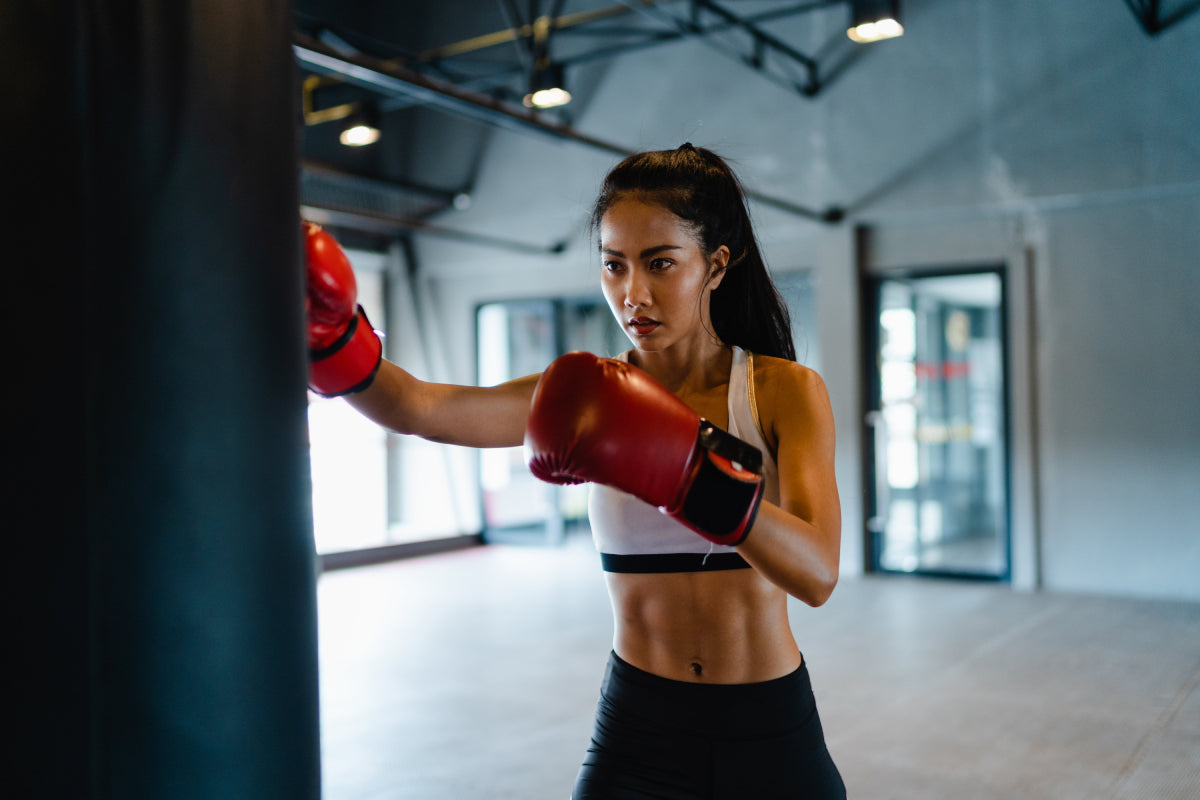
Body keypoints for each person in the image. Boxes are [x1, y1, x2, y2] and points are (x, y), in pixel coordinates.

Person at [304, 143, 846, 799]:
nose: (632, 293)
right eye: (613, 266)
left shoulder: (781, 390)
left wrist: (690, 470)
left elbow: (817, 573)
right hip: (641, 725)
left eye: (660, 264)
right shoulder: (590, 395)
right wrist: (335, 342)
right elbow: (420, 406)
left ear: (716, 265)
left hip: (769, 730)